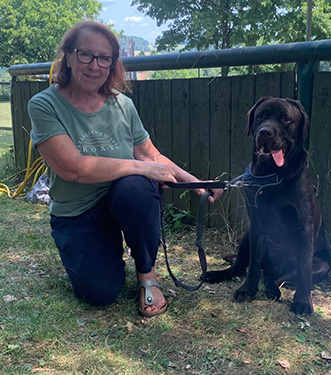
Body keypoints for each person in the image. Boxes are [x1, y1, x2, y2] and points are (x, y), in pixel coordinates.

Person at [28, 21, 222, 318]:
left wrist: (195, 181)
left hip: (123, 199)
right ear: (67, 56)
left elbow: (149, 154)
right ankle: (104, 248)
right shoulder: (43, 105)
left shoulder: (123, 106)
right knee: (100, 293)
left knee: (136, 186)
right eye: (85, 55)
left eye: (104, 58)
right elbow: (74, 169)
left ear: (112, 63)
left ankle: (147, 273)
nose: (95, 65)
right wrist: (143, 168)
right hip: (76, 213)